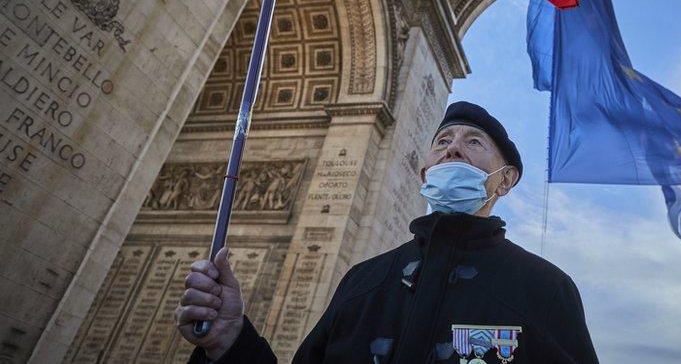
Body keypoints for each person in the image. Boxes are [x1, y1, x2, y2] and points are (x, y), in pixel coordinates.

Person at [175, 101, 599, 363]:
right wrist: (230, 342)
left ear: (505, 180)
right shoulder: (363, 279)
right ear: (425, 172)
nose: (452, 147)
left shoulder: (546, 290)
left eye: (474, 142)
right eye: (443, 140)